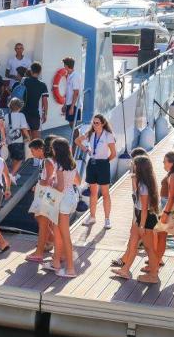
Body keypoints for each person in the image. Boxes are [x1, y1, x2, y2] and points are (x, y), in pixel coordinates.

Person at [111, 155, 160, 283]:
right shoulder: (142, 182)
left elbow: (144, 208)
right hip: (140, 217)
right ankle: (125, 270)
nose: (132, 166)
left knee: (149, 248)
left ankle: (154, 275)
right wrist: (134, 179)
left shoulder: (144, 186)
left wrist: (142, 226)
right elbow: (136, 199)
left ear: (139, 168)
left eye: (134, 165)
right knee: (132, 245)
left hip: (146, 219)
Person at [42, 137, 79, 278]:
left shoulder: (58, 166)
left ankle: (70, 269)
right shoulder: (72, 164)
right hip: (70, 198)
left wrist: (51, 184)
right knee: (57, 233)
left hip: (61, 200)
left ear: (56, 150)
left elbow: (60, 187)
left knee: (65, 235)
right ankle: (56, 262)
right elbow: (73, 182)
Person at [75, 114, 116, 228]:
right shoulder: (90, 134)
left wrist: (105, 162)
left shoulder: (108, 135)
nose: (94, 125)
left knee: (105, 193)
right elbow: (77, 141)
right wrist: (85, 149)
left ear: (102, 124)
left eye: (97, 123)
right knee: (93, 193)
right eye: (93, 122)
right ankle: (92, 217)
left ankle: (107, 219)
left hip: (103, 164)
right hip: (92, 164)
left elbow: (113, 154)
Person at [23, 138, 50, 264]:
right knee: (40, 219)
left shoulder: (47, 161)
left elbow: (49, 180)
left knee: (43, 222)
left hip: (45, 194)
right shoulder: (43, 161)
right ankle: (51, 242)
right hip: (41, 193)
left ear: (40, 149)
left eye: (33, 151)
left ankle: (40, 252)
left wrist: (39, 185)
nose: (32, 154)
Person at [20, 62, 49, 139]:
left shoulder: (24, 81)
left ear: (31, 71)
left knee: (26, 139)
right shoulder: (43, 85)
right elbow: (45, 101)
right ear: (40, 72)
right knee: (36, 140)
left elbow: (19, 94)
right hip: (35, 114)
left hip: (23, 113)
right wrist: (45, 113)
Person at [5, 97, 30, 180]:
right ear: (20, 107)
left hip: (9, 141)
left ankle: (14, 174)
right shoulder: (21, 115)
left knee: (14, 158)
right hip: (18, 141)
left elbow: (4, 128)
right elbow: (24, 128)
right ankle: (11, 175)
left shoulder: (6, 116)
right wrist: (28, 137)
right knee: (19, 159)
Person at [61, 57, 82, 128]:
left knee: (73, 125)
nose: (64, 66)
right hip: (69, 103)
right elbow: (68, 92)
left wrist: (72, 107)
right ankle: (76, 139)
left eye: (64, 65)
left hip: (74, 104)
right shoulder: (69, 75)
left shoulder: (75, 76)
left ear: (66, 65)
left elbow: (76, 92)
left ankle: (77, 139)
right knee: (71, 124)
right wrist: (65, 104)